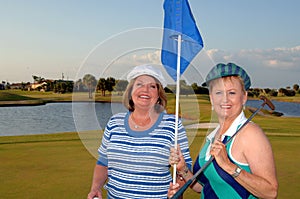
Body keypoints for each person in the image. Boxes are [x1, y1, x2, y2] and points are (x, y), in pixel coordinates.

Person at [168, 63, 278, 199]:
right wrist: (183, 168)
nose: (225, 99)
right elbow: (204, 187)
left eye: (232, 92)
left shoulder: (250, 134)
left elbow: (270, 192)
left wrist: (228, 166)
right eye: (219, 93)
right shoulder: (213, 135)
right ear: (211, 98)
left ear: (244, 97)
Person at [87, 64, 192, 199]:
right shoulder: (114, 122)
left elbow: (185, 166)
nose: (145, 90)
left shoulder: (173, 125)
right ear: (131, 91)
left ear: (158, 94)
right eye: (139, 84)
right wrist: (95, 188)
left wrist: (177, 189)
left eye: (152, 86)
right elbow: (103, 162)